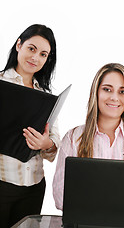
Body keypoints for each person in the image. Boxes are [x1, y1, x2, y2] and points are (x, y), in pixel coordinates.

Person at [53, 63, 124, 211]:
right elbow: (60, 197)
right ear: (96, 92)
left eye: (122, 91)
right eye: (107, 89)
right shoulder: (73, 138)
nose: (114, 98)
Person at [0, 24, 60, 227]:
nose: (36, 58)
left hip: (33, 187)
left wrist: (46, 144)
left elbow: (54, 143)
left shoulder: (45, 96)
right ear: (19, 45)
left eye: (43, 54)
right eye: (31, 49)